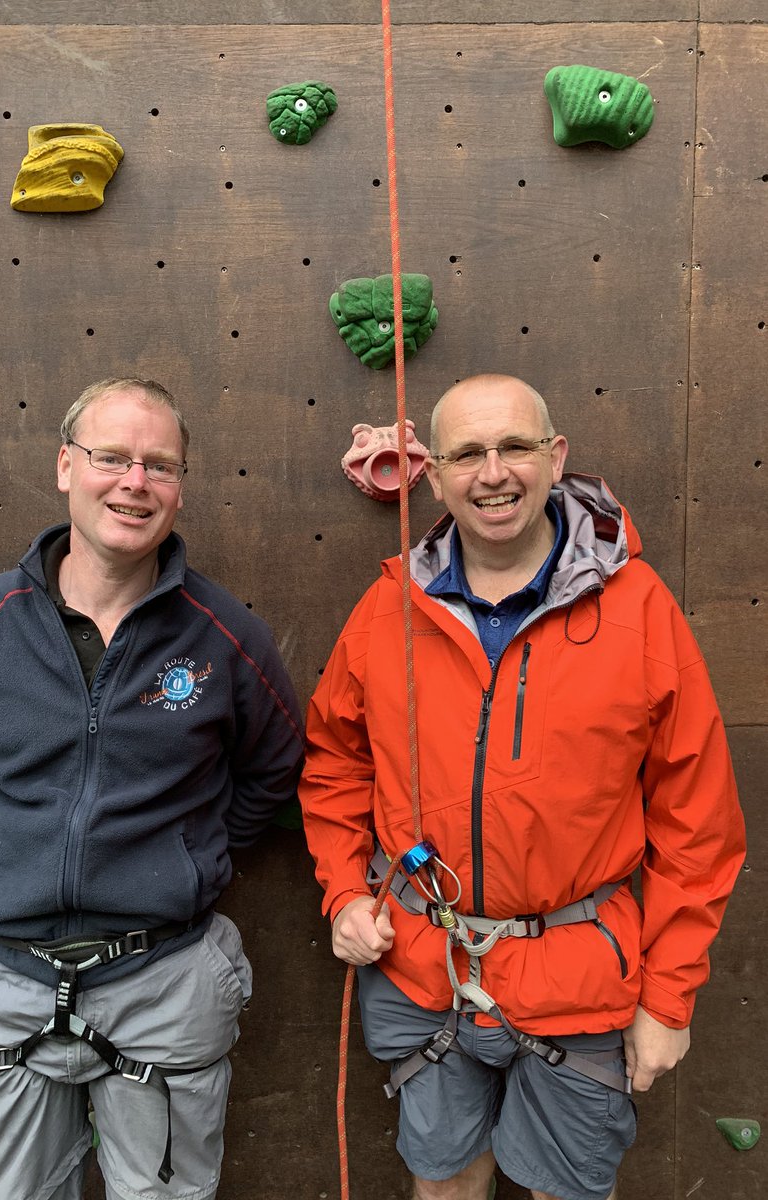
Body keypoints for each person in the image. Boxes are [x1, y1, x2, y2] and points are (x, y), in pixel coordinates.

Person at [299, 373, 744, 1200]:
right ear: (433, 475)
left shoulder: (640, 610)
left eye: (515, 447)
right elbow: (334, 764)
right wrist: (342, 893)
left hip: (581, 975)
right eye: (467, 453)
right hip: (420, 968)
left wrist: (671, 996)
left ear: (556, 456)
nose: (492, 472)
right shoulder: (387, 609)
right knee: (443, 1185)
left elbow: (699, 822)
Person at [0, 377, 304, 1200]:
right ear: (65, 466)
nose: (135, 481)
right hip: (2, 981)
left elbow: (272, 770)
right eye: (111, 457)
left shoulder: (227, 637)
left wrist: (187, 855)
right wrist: (14, 853)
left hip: (161, 979)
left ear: (180, 488)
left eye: (159, 465)